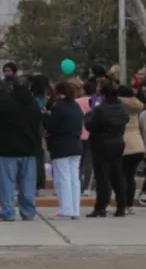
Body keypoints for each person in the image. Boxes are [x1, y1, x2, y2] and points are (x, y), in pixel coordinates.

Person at [0, 75, 42, 222]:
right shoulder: (33, 103)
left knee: (6, 183)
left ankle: (8, 212)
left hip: (8, 148)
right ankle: (28, 212)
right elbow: (39, 121)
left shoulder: (5, 101)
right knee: (28, 183)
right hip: (29, 148)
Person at [85, 83, 129, 218]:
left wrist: (89, 113)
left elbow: (90, 125)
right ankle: (121, 206)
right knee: (118, 175)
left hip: (101, 144)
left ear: (103, 95)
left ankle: (101, 207)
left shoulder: (100, 110)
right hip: (118, 142)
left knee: (102, 177)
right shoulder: (123, 109)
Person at [43, 82, 84, 219]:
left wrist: (45, 115)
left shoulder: (58, 106)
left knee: (62, 178)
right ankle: (75, 209)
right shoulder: (76, 106)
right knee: (74, 178)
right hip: (76, 144)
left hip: (61, 145)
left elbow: (51, 124)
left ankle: (66, 209)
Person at [118, 86, 146, 214]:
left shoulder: (119, 105)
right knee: (130, 176)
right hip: (138, 146)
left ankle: (123, 205)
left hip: (125, 145)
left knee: (122, 176)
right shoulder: (136, 106)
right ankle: (130, 205)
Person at [75, 80, 95, 196]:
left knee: (78, 162)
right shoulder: (95, 102)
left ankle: (77, 185)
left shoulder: (76, 102)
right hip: (91, 134)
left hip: (78, 134)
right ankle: (87, 187)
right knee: (89, 162)